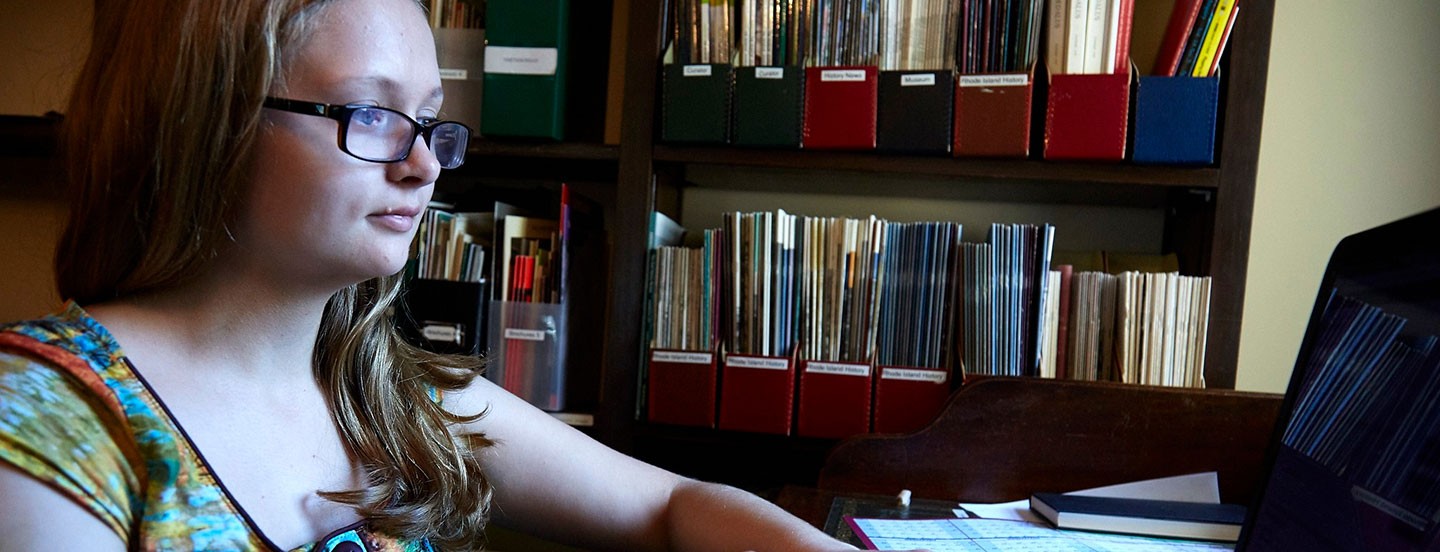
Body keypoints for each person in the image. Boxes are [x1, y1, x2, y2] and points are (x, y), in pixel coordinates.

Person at [0, 1, 895, 550]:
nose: (424, 165)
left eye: (430, 121)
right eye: (371, 113)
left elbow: (668, 505)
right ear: (208, 117)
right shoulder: (50, 419)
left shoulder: (386, 393)